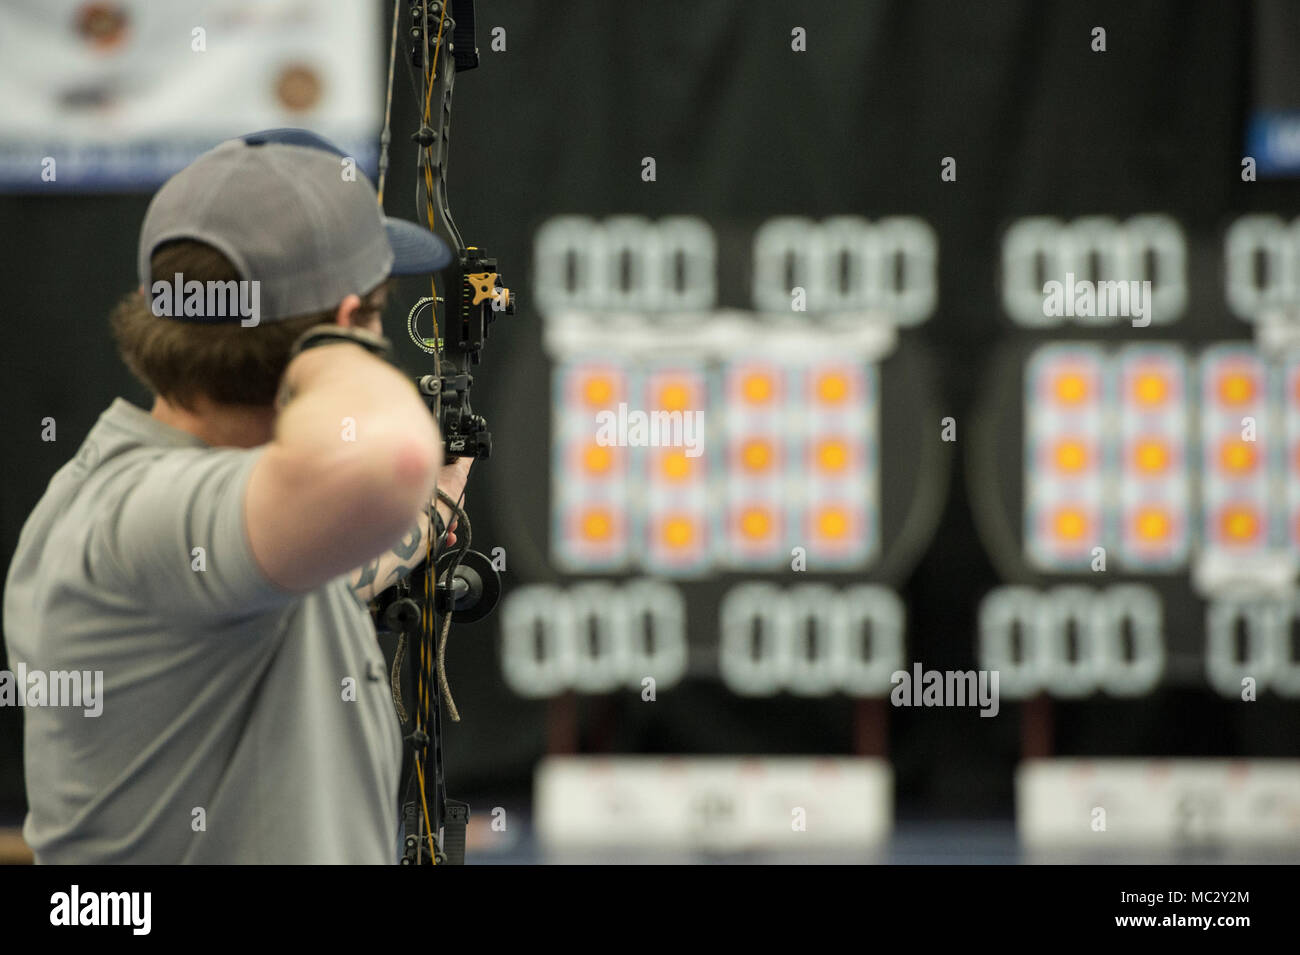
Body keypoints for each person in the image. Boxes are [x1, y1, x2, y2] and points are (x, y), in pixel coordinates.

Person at [3, 129, 470, 863]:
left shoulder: (211, 511)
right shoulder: (138, 516)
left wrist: (430, 508)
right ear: (346, 327)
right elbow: (387, 456)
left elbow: (312, 573)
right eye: (375, 316)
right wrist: (337, 347)